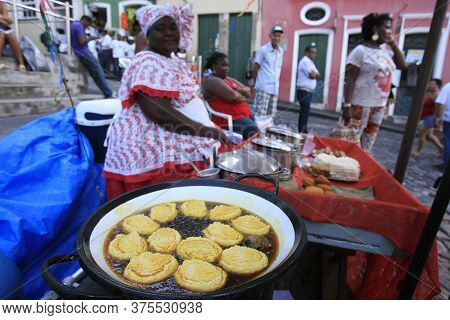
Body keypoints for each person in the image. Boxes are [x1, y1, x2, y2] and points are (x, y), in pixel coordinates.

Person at [104, 3, 233, 200]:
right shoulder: (147, 61)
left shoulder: (168, 59)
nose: (168, 34)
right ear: (147, 34)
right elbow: (159, 113)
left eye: (173, 28)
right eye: (160, 28)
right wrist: (205, 130)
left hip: (177, 130)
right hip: (146, 146)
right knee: (155, 209)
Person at [338, 13, 406, 152]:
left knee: (367, 145)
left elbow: (402, 65)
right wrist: (347, 105)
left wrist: (392, 43)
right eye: (386, 28)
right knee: (348, 144)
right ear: (375, 29)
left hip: (379, 106)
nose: (389, 31)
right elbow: (350, 79)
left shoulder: (385, 52)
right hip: (360, 105)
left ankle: (359, 169)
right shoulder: (360, 51)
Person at [203, 52, 259, 139]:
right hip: (228, 120)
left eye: (228, 66)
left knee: (256, 134)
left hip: (242, 115)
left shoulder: (227, 79)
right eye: (223, 65)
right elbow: (234, 98)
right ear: (214, 66)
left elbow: (249, 92)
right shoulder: (212, 80)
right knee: (254, 131)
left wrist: (237, 90)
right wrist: (241, 95)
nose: (226, 68)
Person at [70, 16, 113, 98]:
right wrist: (90, 38)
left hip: (79, 52)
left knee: (95, 73)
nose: (88, 26)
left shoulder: (74, 24)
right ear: (85, 20)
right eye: (88, 24)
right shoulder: (79, 26)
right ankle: (108, 93)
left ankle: (107, 92)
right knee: (98, 72)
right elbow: (82, 41)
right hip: (84, 52)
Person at [251, 25, 284, 117]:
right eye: (275, 35)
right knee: (260, 114)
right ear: (270, 36)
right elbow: (255, 67)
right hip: (263, 87)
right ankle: (258, 131)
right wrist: (254, 84)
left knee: (271, 116)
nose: (277, 38)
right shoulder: (263, 50)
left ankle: (266, 131)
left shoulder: (281, 51)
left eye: (279, 36)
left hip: (274, 89)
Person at [413, 79, 443, 156]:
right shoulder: (428, 93)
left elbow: (439, 107)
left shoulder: (437, 95)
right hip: (425, 116)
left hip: (431, 117)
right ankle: (442, 148)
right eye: (430, 83)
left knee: (422, 133)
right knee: (429, 135)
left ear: (438, 86)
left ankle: (418, 151)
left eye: (432, 84)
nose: (430, 85)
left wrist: (437, 119)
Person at [297, 45, 320, 133]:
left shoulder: (310, 62)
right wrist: (316, 74)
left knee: (305, 111)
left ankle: (303, 129)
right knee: (304, 111)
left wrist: (316, 74)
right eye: (312, 52)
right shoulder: (305, 61)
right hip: (304, 91)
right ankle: (302, 130)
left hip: (308, 91)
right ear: (307, 52)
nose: (314, 54)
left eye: (315, 53)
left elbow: (318, 74)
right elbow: (312, 75)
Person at [0, 2, 26, 72]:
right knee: (1, 35)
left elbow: (9, 21)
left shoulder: (1, 4)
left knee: (11, 36)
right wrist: (3, 20)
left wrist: (1, 19)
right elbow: (6, 21)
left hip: (3, 28)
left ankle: (21, 65)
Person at [435, 82, 450, 168]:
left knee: (447, 140)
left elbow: (441, 103)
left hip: (448, 118)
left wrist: (438, 118)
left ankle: (446, 164)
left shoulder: (448, 87)